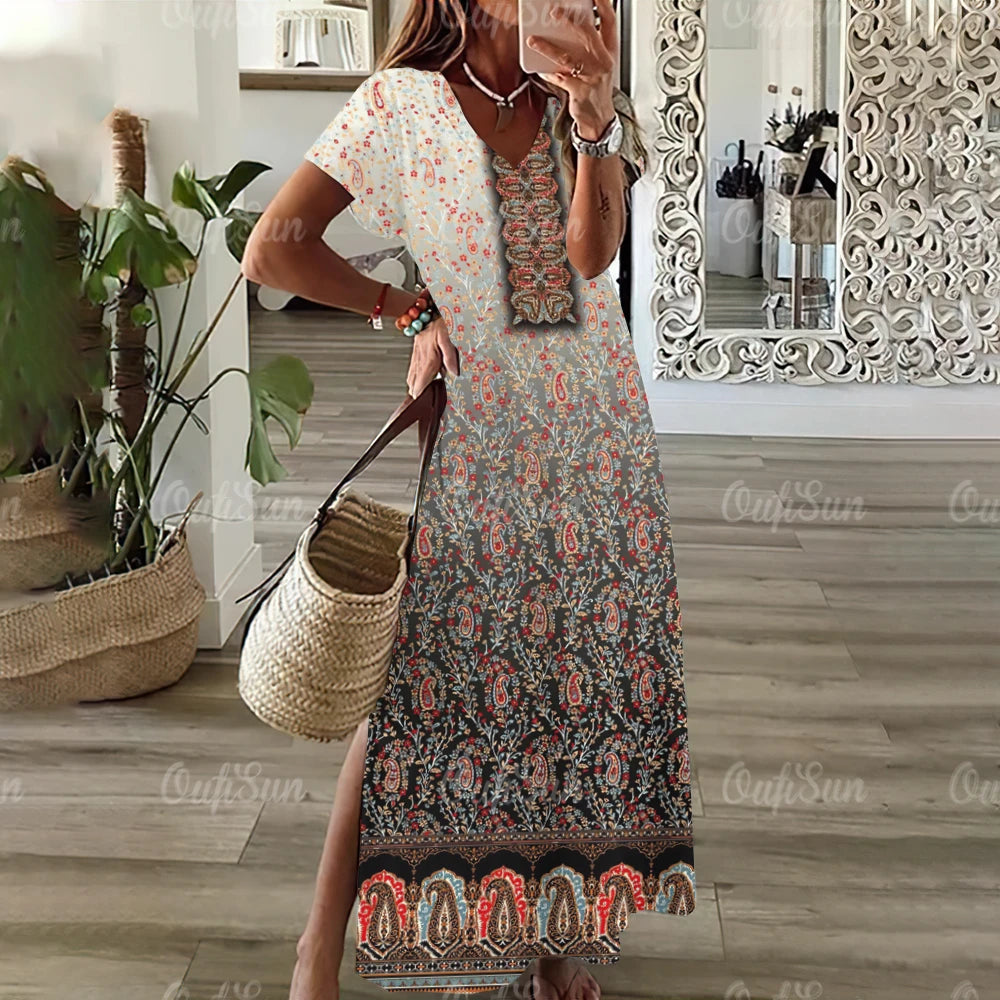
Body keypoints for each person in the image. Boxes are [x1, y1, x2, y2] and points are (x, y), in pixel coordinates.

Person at [241, 1, 696, 996]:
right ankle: (317, 949)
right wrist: (406, 309)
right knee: (417, 683)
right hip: (483, 422)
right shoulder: (400, 103)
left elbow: (591, 260)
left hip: (596, 421)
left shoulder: (570, 96)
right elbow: (273, 247)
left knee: (575, 679)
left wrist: (595, 119)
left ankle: (556, 946)